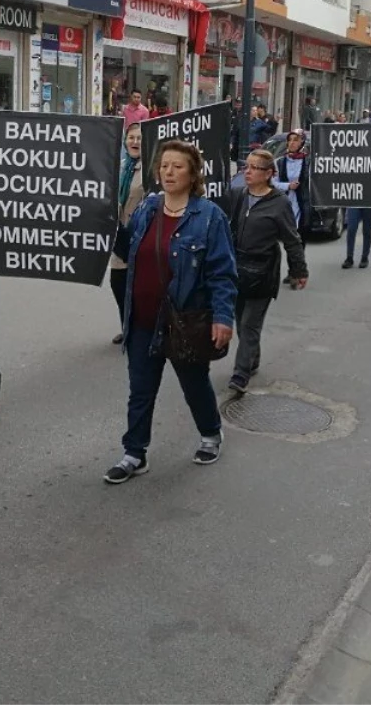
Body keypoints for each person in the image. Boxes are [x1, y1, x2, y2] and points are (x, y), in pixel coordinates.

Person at [104, 140, 237, 484]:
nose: (169, 172)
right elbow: (128, 248)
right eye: (164, 166)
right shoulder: (148, 209)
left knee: (193, 383)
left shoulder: (209, 217)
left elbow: (222, 272)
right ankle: (134, 452)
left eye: (178, 166)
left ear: (193, 174)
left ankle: (211, 433)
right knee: (141, 390)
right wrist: (110, 224)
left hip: (184, 321)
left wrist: (223, 317)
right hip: (142, 320)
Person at [226, 149, 309, 394]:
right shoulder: (239, 195)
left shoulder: (279, 202)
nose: (247, 171)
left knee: (250, 323)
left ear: (269, 174)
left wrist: (299, 270)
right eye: (246, 166)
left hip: (263, 271)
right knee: (241, 323)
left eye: (254, 168)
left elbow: (292, 240)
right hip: (238, 269)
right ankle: (252, 359)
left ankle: (240, 373)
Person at [109, 122, 147, 345]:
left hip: (140, 234)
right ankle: (127, 325)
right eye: (131, 138)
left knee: (139, 287)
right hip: (118, 234)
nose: (134, 142)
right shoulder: (120, 165)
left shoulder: (151, 169)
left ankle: (140, 330)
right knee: (118, 283)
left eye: (139, 138)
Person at [274, 128, 311, 234]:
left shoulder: (309, 162)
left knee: (301, 239)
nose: (292, 143)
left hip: (302, 206)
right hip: (285, 205)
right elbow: (273, 183)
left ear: (302, 142)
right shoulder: (280, 162)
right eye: (289, 140)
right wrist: (288, 186)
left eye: (295, 140)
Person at [343, 205, 371, 269]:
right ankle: (349, 257)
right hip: (354, 202)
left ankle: (364, 257)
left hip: (370, 203)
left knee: (367, 230)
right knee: (351, 229)